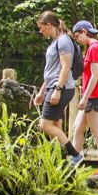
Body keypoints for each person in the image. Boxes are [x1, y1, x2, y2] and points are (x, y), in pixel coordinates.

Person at [33, 11, 83, 165]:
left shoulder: (63, 41)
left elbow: (65, 67)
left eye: (41, 27)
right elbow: (51, 71)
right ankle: (58, 159)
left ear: (49, 25)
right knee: (55, 125)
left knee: (45, 125)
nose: (40, 31)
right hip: (53, 86)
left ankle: (75, 155)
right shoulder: (55, 42)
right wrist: (42, 92)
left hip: (61, 88)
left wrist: (57, 89)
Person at [71, 20, 98, 176]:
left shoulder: (94, 48)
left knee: (97, 132)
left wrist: (84, 97)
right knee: (78, 127)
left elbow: (95, 75)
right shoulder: (95, 46)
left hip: (95, 96)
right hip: (92, 96)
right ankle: (75, 161)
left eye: (77, 36)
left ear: (84, 31)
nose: (77, 39)